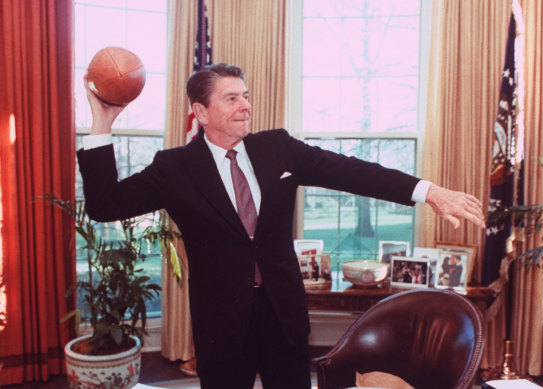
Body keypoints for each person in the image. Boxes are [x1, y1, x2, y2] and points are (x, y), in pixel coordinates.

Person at [77, 63, 485, 389]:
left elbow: (353, 173)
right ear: (200, 112)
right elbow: (105, 205)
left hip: (283, 315)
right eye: (231, 98)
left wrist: (428, 191)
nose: (245, 106)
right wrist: (102, 123)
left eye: (246, 96)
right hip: (221, 323)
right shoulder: (174, 168)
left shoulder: (277, 148)